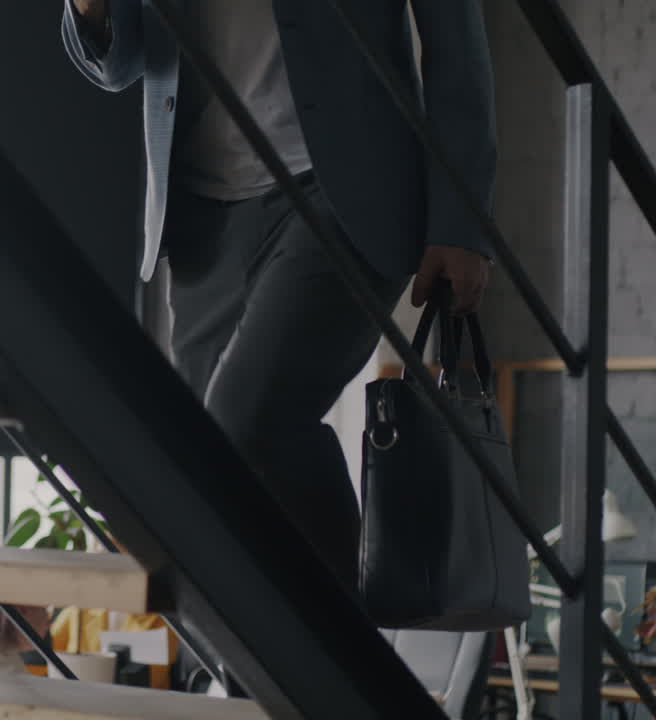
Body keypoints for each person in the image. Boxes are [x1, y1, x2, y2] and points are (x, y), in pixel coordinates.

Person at [61, 0, 495, 587]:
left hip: (343, 193)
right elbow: (120, 62)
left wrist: (458, 221)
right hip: (203, 213)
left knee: (248, 424)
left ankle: (349, 663)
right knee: (207, 465)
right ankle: (260, 673)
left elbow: (456, 38)